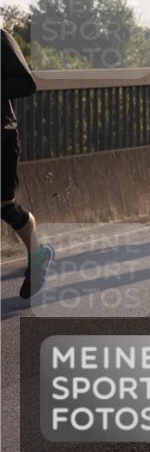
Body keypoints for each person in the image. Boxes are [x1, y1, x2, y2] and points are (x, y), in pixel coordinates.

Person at [2, 29, 55, 299]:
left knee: (4, 206)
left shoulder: (1, 38)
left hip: (2, 135)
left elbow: (26, 83)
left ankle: (38, 254)